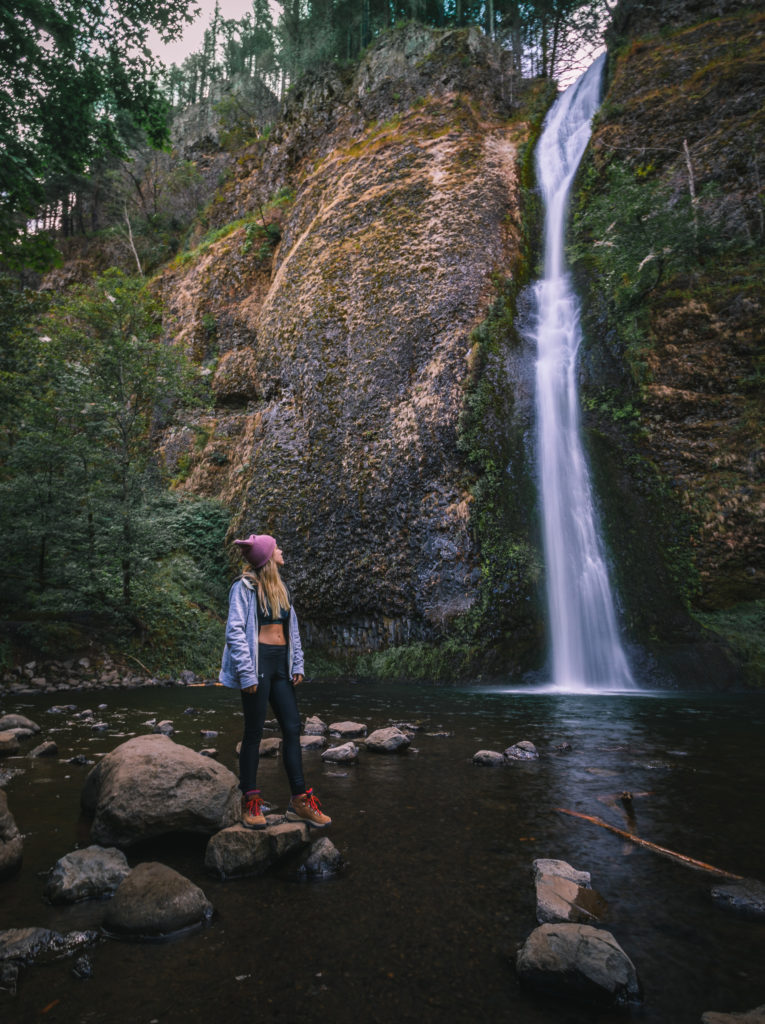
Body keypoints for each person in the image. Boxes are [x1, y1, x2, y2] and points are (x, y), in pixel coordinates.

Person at [219, 533, 331, 830]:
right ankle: (250, 800)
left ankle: (299, 800)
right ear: (268, 557)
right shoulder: (242, 589)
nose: (281, 550)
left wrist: (297, 663)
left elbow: (291, 630)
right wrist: (245, 672)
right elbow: (235, 632)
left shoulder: (282, 589)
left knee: (292, 727)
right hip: (257, 665)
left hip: (281, 665)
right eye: (276, 547)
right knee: (254, 733)